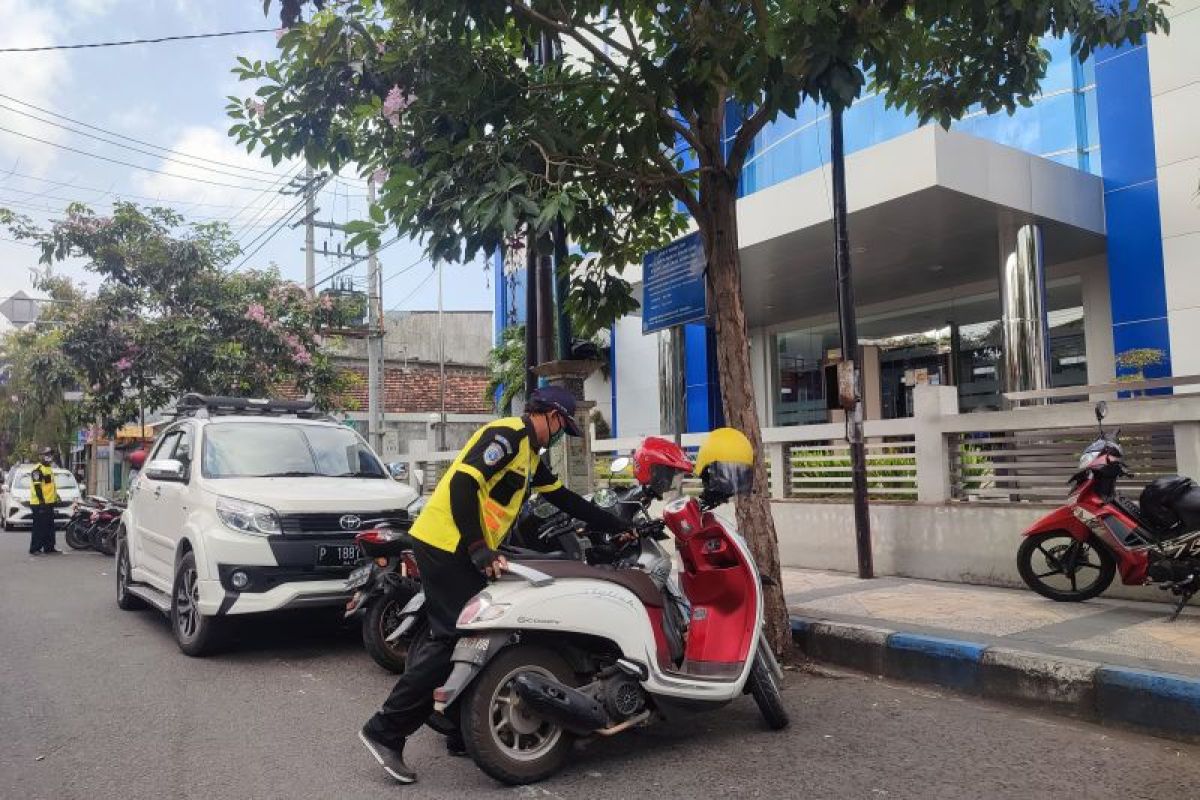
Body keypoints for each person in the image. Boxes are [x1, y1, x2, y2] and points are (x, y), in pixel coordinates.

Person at [358, 386, 632, 784]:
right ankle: (385, 731)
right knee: (455, 637)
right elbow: (463, 486)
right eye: (561, 427)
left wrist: (616, 525)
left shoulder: (530, 456)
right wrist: (478, 548)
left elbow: (565, 500)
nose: (559, 436)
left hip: (460, 547)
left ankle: (459, 729)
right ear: (550, 415)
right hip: (445, 543)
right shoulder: (506, 437)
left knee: (481, 635)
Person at [28, 447, 62, 555]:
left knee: (50, 526)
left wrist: (56, 497)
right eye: (46, 454)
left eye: (50, 455)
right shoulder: (37, 470)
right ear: (41, 456)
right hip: (39, 504)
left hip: (49, 503)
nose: (48, 457)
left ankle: (49, 547)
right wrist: (42, 503)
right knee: (39, 527)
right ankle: (35, 548)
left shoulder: (49, 469)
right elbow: (38, 488)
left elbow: (50, 486)